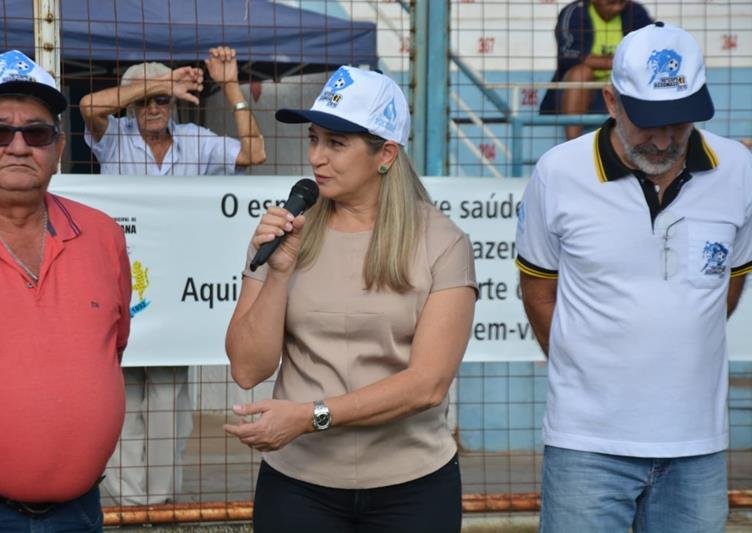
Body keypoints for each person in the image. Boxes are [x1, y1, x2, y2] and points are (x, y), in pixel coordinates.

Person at [517, 23, 752, 532]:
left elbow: (728, 282)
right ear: (611, 101)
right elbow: (538, 291)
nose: (664, 139)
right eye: (648, 122)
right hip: (586, 446)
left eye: (679, 122)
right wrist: (585, 372)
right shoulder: (559, 173)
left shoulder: (738, 170)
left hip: (697, 447)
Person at [223, 66, 478, 533]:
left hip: (413, 486)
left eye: (336, 144)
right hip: (298, 484)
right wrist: (278, 274)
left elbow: (428, 384)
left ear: (386, 154)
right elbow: (247, 369)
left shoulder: (442, 242)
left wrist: (311, 417)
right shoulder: (286, 232)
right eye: (313, 139)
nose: (316, 157)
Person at [0, 50, 131, 530]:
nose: (18, 146)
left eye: (36, 133)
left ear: (57, 148)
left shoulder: (102, 235)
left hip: (80, 512)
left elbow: (111, 347)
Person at [79, 46, 266, 506]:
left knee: (168, 398)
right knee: (121, 393)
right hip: (122, 285)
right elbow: (87, 106)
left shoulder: (196, 140)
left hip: (177, 293)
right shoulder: (116, 136)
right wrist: (160, 83)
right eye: (143, 99)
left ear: (175, 103)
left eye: (162, 99)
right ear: (131, 102)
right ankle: (128, 501)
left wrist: (230, 86)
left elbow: (255, 152)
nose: (153, 108)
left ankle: (159, 500)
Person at [539, 0, 652, 140]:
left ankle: (645, 140)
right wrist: (620, 61)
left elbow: (648, 54)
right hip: (585, 91)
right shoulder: (575, 11)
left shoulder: (635, 11)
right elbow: (570, 55)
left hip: (622, 87)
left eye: (621, 2)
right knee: (581, 73)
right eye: (611, 2)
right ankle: (572, 144)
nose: (617, 4)